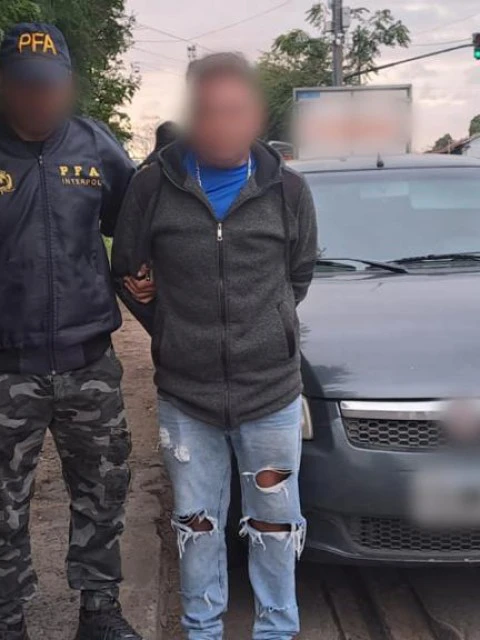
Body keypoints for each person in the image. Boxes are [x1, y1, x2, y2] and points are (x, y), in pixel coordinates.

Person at [113, 52, 318, 639]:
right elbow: (127, 270)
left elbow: (298, 275)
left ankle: (276, 630)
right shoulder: (153, 185)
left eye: (234, 110)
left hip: (271, 396)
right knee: (196, 525)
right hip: (187, 398)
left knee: (275, 525)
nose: (222, 124)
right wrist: (171, 326)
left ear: (254, 115)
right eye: (208, 111)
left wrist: (265, 326)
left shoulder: (288, 189)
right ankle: (201, 630)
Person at [0, 23, 149, 640]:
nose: (40, 97)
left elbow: (133, 223)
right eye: (25, 85)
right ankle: (8, 617)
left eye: (51, 85)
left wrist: (146, 275)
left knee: (103, 487)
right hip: (6, 367)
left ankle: (100, 610)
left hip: (89, 360)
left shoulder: (95, 145)